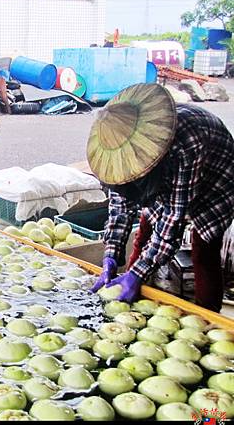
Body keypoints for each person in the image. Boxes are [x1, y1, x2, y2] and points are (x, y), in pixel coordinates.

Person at [88, 83, 234, 312]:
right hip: (167, 176)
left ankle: (208, 316)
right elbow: (120, 206)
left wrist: (137, 274)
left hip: (214, 180)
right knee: (144, 230)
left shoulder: (187, 141)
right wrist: (111, 255)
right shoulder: (122, 160)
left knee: (204, 251)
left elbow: (173, 220)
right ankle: (132, 287)